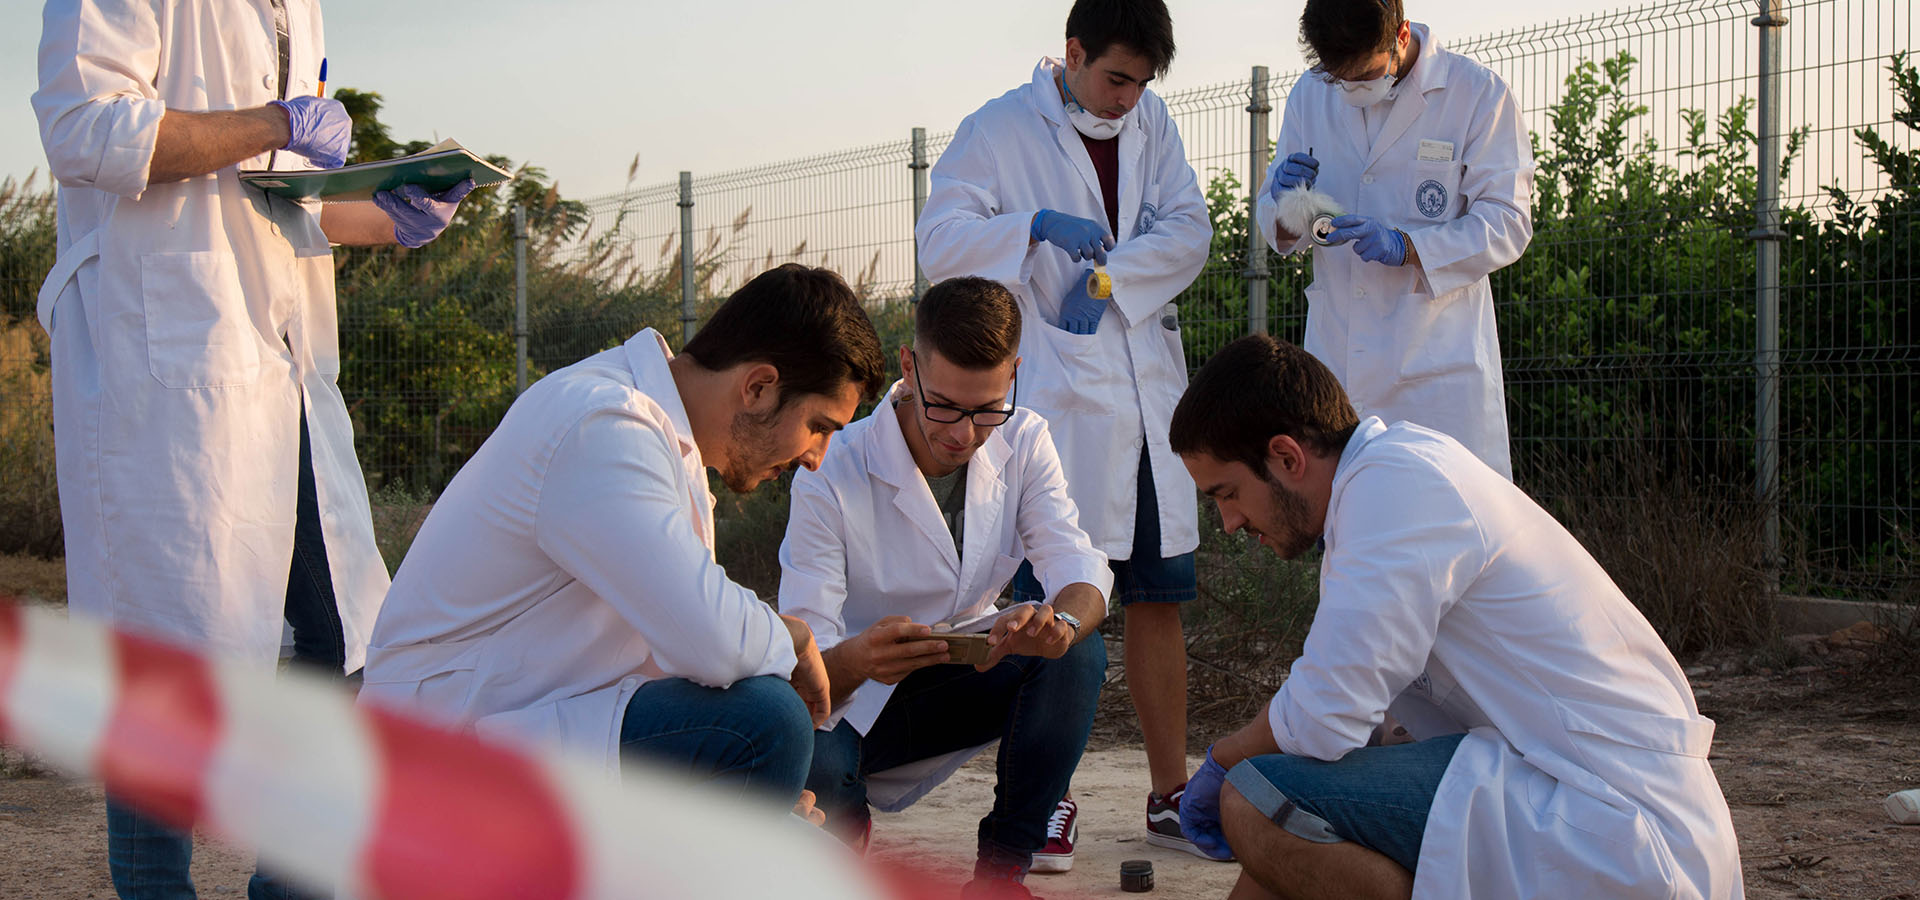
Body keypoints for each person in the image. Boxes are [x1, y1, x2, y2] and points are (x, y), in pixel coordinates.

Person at [32, 2, 474, 898]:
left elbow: (281, 199)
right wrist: (275, 122)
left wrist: (389, 213)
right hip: (165, 362)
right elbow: (84, 130)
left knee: (347, 640)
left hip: (283, 365)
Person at [1168, 335, 1743, 900]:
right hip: (1568, 788)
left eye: (1228, 494)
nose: (1229, 523)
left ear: (1287, 457)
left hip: (1618, 824)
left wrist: (1224, 758)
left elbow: (1325, 712)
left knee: (1253, 800)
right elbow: (1367, 721)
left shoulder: (1394, 486)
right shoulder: (1380, 488)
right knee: (1287, 806)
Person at [359, 265, 885, 813]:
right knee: (764, 722)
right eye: (820, 426)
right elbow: (710, 639)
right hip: (435, 748)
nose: (816, 458)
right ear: (757, 387)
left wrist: (755, 803)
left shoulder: (662, 440)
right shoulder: (604, 423)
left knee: (748, 733)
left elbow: (681, 654)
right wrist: (792, 637)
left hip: (516, 721)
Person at [915, 0, 1219, 863]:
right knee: (1045, 607)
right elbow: (941, 242)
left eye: (1143, 83)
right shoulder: (998, 129)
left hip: (1143, 394)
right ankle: (1049, 801)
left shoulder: (1151, 121)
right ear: (1072, 52)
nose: (1129, 99)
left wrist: (1112, 281)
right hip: (1054, 400)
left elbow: (1188, 228)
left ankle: (1169, 796)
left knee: (1158, 599)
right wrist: (1035, 229)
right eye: (1116, 78)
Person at [778, 277, 1112, 897]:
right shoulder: (835, 467)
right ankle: (849, 863)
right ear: (910, 367)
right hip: (856, 699)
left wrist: (1059, 625)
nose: (964, 433)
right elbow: (807, 663)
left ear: (1014, 373)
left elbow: (1076, 565)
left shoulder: (1025, 438)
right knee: (815, 768)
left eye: (987, 408)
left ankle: (1001, 876)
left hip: (963, 672)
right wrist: (858, 659)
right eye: (945, 407)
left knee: (1079, 652)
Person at [1254, 0, 1534, 479]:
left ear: (1401, 36)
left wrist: (1410, 247)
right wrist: (1283, 202)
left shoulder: (1476, 94)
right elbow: (1281, 228)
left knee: (1440, 527)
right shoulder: (1311, 92)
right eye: (1338, 77)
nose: (1350, 89)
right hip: (1338, 363)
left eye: (1363, 74)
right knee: (1346, 530)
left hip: (1434, 370)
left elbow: (1508, 222)